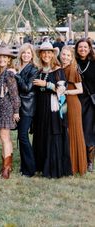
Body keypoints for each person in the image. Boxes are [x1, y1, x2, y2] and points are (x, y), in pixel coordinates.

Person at [32, 42, 72, 178]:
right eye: (43, 52)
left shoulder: (58, 70)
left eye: (49, 52)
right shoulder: (39, 70)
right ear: (40, 54)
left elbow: (61, 90)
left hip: (53, 107)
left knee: (51, 133)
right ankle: (41, 165)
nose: (46, 55)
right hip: (40, 107)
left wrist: (47, 84)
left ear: (53, 54)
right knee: (41, 133)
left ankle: (53, 167)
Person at [0, 46, 21, 179]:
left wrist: (16, 111)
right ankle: (6, 165)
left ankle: (6, 169)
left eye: (4, 57)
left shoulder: (9, 74)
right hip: (0, 108)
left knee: (4, 138)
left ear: (9, 59)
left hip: (7, 108)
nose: (1, 59)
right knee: (5, 138)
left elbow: (14, 94)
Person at [60, 46, 87, 175]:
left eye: (68, 55)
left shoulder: (72, 70)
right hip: (64, 103)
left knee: (73, 132)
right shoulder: (61, 68)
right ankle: (67, 163)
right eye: (63, 54)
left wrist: (66, 91)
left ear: (72, 58)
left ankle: (76, 165)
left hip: (72, 103)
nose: (65, 57)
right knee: (66, 132)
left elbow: (80, 90)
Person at [14, 43, 38, 177]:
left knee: (23, 136)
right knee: (20, 136)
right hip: (19, 106)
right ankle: (24, 167)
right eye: (24, 52)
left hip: (28, 107)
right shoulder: (19, 67)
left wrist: (16, 76)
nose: (26, 55)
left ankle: (30, 168)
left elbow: (27, 88)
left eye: (28, 53)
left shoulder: (34, 69)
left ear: (32, 55)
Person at [75, 38, 95, 172]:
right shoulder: (73, 62)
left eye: (85, 47)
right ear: (76, 49)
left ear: (89, 49)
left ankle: (89, 161)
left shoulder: (93, 63)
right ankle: (77, 158)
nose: (82, 49)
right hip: (75, 99)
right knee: (76, 129)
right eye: (80, 47)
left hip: (90, 101)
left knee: (88, 130)